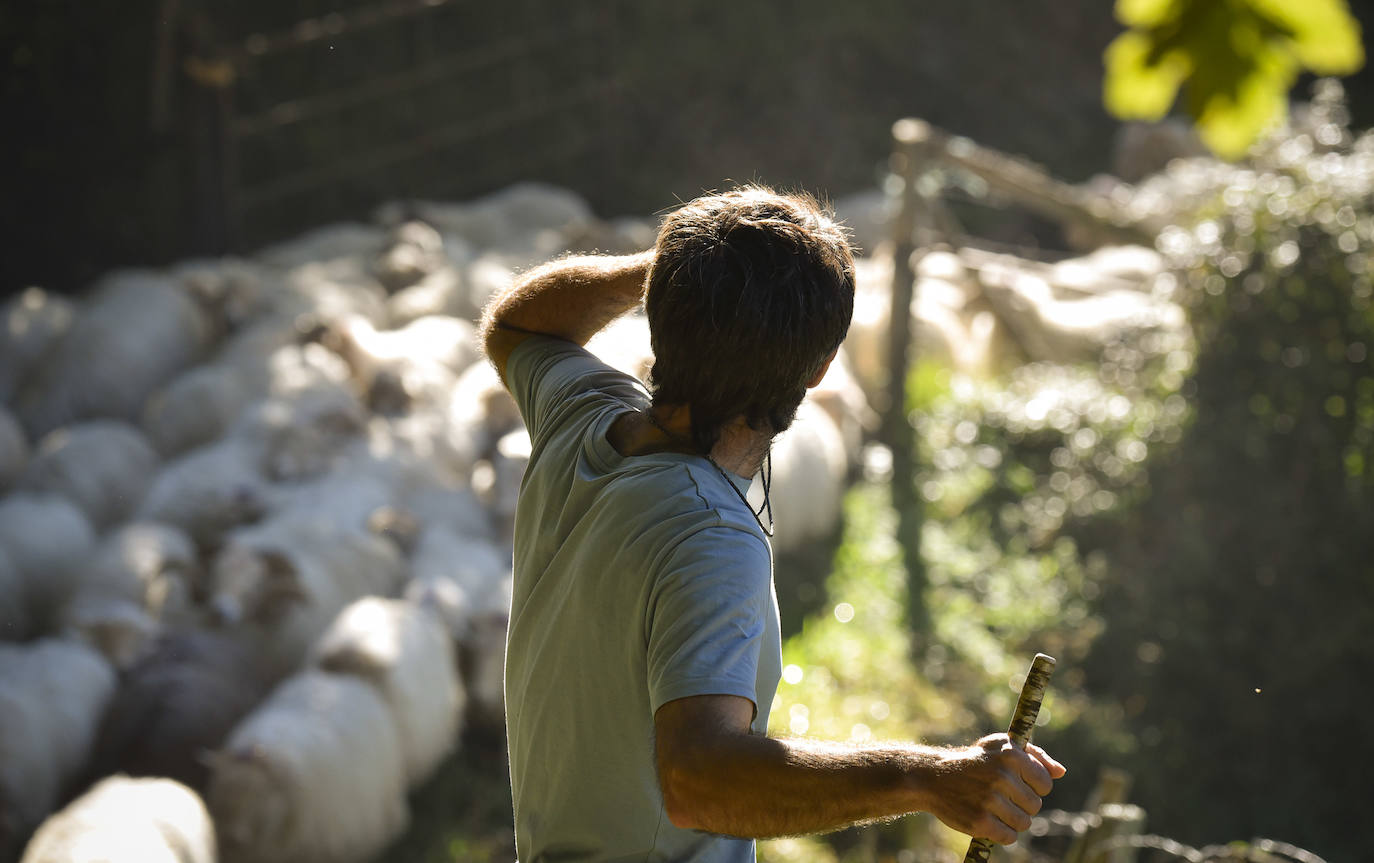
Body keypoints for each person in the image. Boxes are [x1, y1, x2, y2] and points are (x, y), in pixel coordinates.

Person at [481, 185, 1065, 862]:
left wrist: (682, 271)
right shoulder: (710, 534)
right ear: (820, 367)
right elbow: (698, 781)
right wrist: (924, 777)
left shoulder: (581, 415)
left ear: (660, 314)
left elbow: (517, 322)